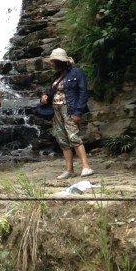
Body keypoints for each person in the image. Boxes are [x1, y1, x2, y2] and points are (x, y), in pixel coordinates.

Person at [40, 47, 93, 180]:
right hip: (56, 110)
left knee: (73, 136)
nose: (51, 64)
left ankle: (86, 167)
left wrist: (78, 112)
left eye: (53, 61)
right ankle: (69, 170)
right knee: (62, 138)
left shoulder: (77, 73)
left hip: (69, 109)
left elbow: (83, 92)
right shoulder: (56, 75)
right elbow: (51, 90)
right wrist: (45, 95)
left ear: (60, 61)